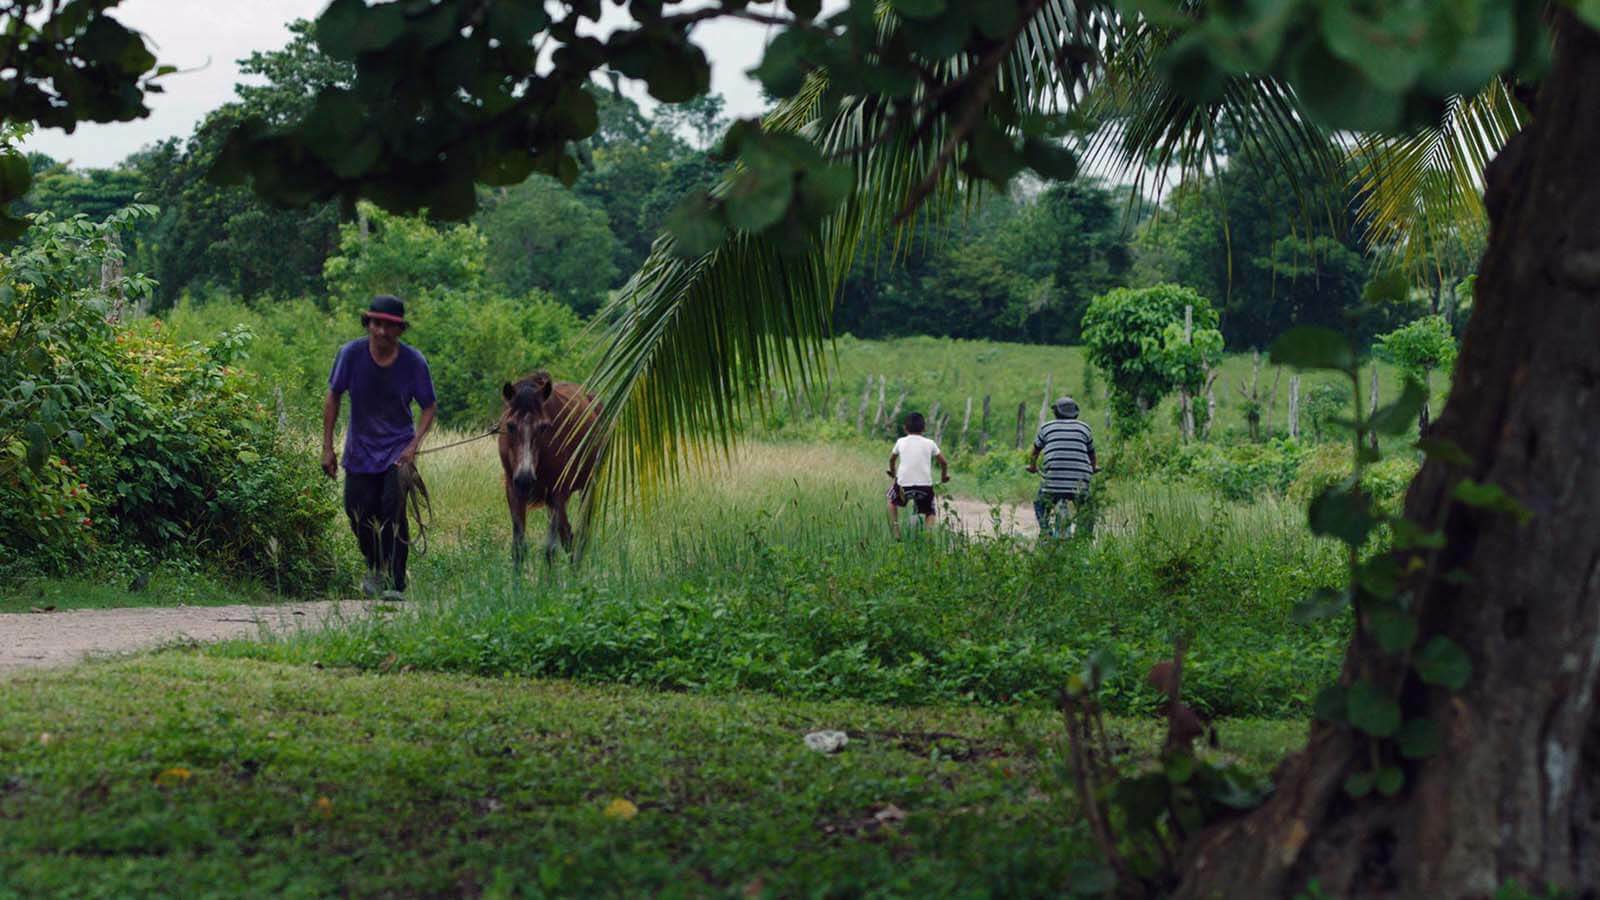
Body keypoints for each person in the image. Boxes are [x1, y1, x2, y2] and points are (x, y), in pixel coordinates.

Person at [321, 295, 437, 599]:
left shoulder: (414, 362)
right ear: (368, 324)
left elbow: (429, 407)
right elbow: (333, 397)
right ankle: (375, 566)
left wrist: (414, 445)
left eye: (389, 326)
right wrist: (327, 447)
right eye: (376, 324)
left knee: (392, 512)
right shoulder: (350, 355)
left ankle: (396, 582)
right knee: (356, 512)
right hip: (359, 450)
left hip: (397, 451)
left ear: (400, 330)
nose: (382, 332)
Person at [1027, 396, 1097, 538]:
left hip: (1052, 483)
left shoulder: (1046, 427)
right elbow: (1092, 454)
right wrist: (1093, 468)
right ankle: (1083, 538)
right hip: (1080, 484)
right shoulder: (1084, 428)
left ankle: (1046, 532)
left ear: (1056, 413)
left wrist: (1032, 466)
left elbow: (1035, 452)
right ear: (1075, 413)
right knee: (1088, 510)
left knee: (1040, 503)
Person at [886, 412, 949, 538]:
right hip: (925, 487)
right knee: (930, 511)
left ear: (905, 428)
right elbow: (944, 462)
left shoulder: (900, 441)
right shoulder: (930, 443)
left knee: (891, 501)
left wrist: (893, 473)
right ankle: (928, 536)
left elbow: (892, 460)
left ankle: (896, 531)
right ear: (924, 428)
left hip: (904, 486)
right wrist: (943, 477)